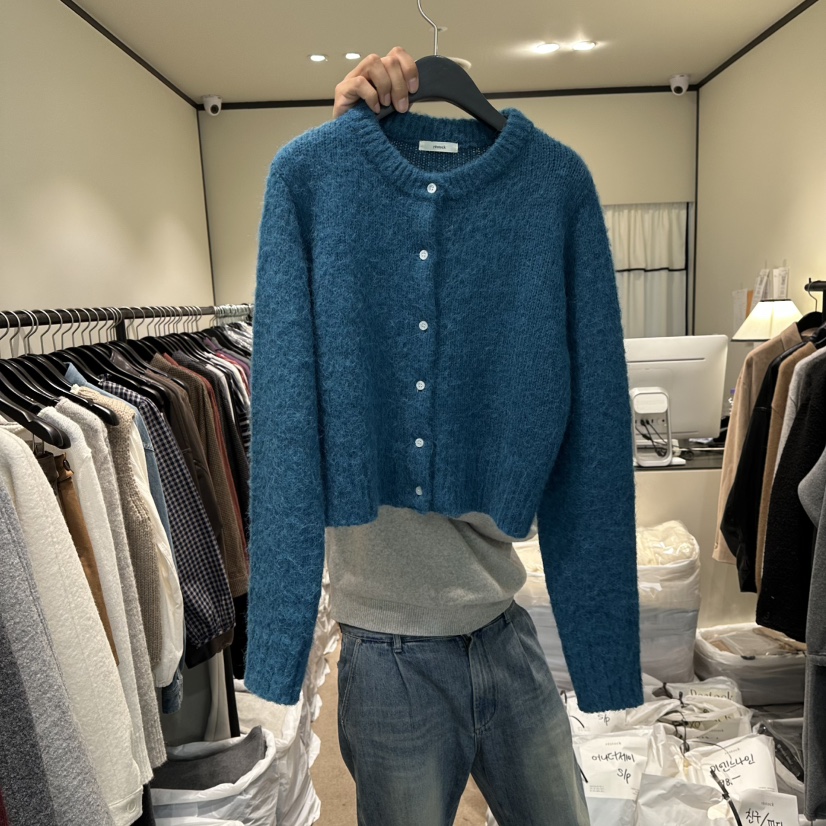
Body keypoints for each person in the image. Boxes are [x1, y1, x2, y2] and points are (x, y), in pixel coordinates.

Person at [324, 47, 590, 826]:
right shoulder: (334, 207)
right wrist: (344, 161)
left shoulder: (530, 225)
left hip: (500, 616)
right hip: (390, 642)